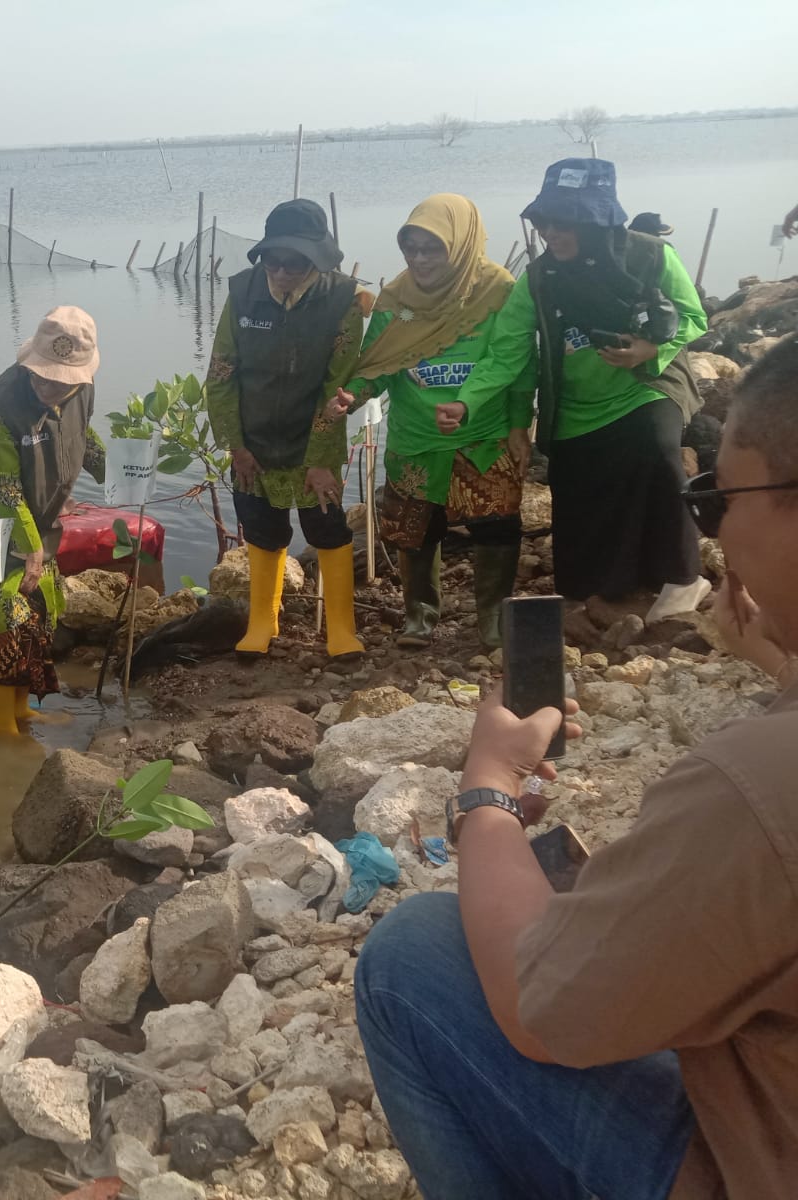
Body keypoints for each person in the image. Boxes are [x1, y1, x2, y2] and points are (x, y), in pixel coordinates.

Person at [355, 335, 798, 1198]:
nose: (717, 532)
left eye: (717, 500)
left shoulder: (757, 784)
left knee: (413, 956)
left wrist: (486, 791)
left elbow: (540, 1010)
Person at [446, 159, 711, 625]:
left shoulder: (649, 255)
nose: (551, 232)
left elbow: (694, 317)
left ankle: (683, 576)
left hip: (645, 385)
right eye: (543, 221)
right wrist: (468, 400)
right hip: (576, 403)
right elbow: (507, 352)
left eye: (563, 222)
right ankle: (611, 584)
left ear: (597, 219)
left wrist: (649, 347)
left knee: (656, 448)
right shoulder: (540, 278)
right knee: (576, 494)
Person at [333, 194, 533, 650]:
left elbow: (518, 362)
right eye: (412, 248)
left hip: (483, 436)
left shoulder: (497, 290)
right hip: (416, 437)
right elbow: (379, 365)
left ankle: (494, 621)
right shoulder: (397, 299)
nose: (419, 259)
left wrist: (519, 424)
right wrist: (353, 395)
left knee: (497, 526)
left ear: (460, 245)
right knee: (415, 530)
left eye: (432, 248)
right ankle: (419, 617)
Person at [206, 198, 370, 658]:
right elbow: (220, 376)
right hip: (253, 442)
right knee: (262, 530)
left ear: (317, 261)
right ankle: (264, 622)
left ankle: (341, 628)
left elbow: (335, 390)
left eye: (293, 264)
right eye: (270, 260)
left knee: (328, 530)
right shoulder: (242, 293)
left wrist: (319, 461)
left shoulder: (345, 301)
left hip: (313, 436)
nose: (279, 272)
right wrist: (235, 445)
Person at [0, 306, 105, 734]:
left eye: (61, 381)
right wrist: (31, 548)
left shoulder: (80, 391)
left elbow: (82, 434)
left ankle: (20, 712)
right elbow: (4, 488)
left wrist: (114, 472)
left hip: (35, 521)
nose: (49, 386)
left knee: (35, 615)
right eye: (41, 376)